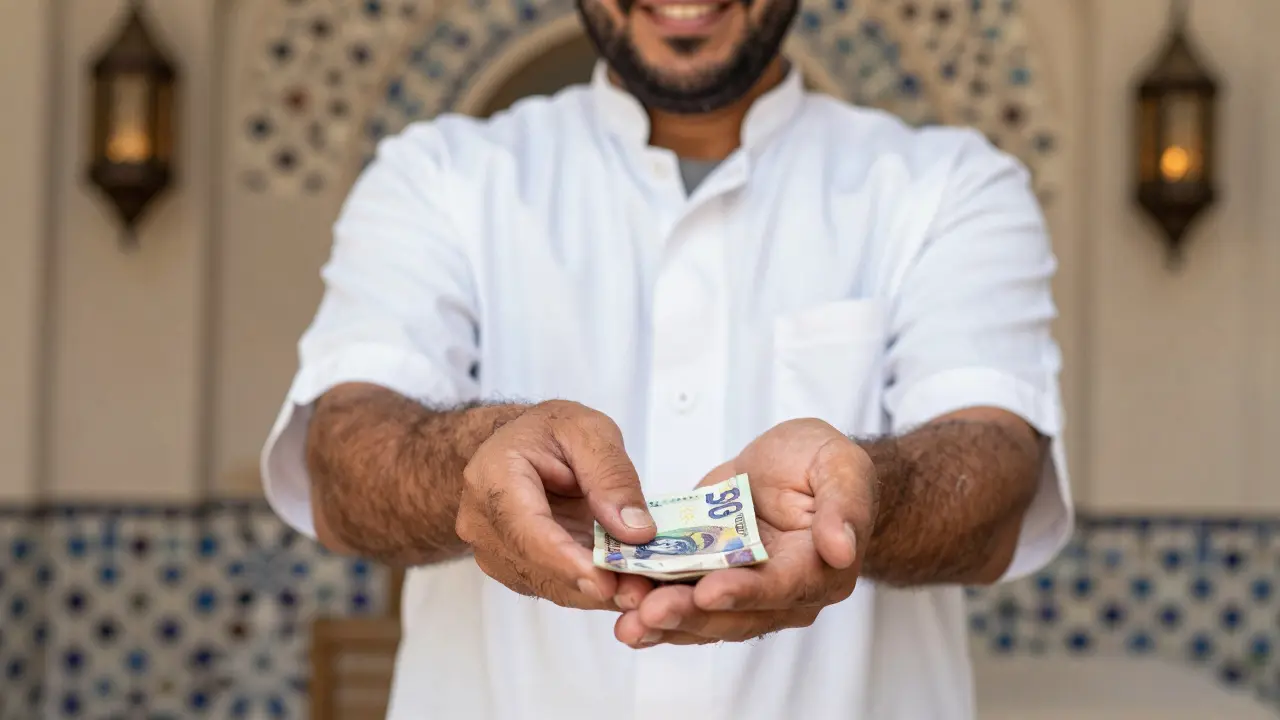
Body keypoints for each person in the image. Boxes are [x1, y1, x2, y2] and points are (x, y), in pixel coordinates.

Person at [260, 0, 1072, 714]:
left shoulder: (954, 187)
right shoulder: (435, 176)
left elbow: (997, 474)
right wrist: (477, 458)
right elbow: (342, 460)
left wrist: (872, 495)